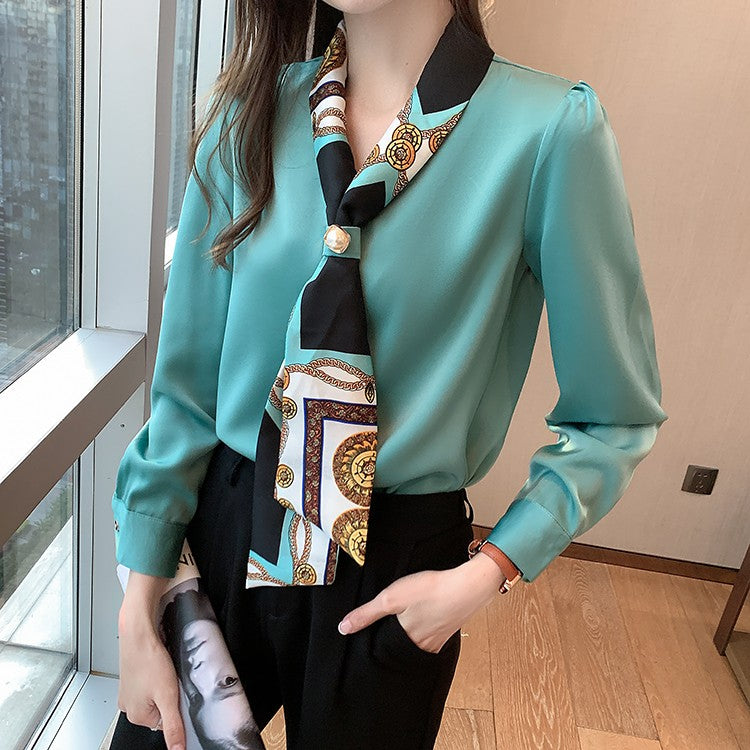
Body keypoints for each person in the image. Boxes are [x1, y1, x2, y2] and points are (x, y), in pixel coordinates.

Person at [114, 1, 668, 749]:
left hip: (392, 568)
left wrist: (487, 573)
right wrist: (138, 601)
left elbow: (614, 414)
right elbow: (186, 393)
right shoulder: (248, 112)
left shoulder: (550, 134)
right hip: (224, 531)